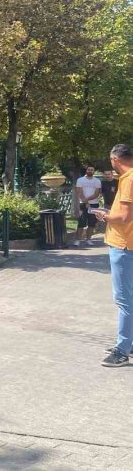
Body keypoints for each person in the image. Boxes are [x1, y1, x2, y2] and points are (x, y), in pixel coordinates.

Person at [96, 145, 133, 367]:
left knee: (124, 299)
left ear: (114, 159)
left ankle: (121, 350)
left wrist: (106, 216)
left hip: (123, 245)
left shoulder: (128, 179)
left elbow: (125, 216)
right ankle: (129, 343)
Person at [73, 166, 102, 247]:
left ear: (94, 171)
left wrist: (88, 201)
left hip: (94, 204)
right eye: (89, 169)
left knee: (92, 223)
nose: (90, 171)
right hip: (82, 203)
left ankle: (88, 239)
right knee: (81, 221)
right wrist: (85, 201)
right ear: (86, 170)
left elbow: (96, 193)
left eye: (92, 170)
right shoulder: (80, 180)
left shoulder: (97, 181)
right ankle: (78, 240)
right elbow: (79, 192)